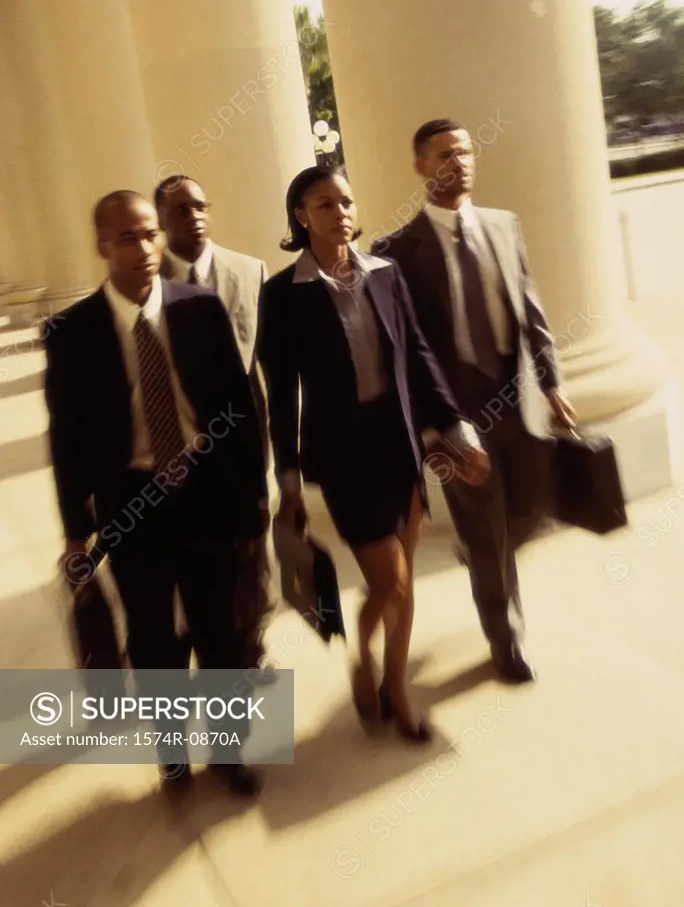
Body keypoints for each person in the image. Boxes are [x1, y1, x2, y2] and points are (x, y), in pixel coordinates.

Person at [44, 190, 268, 794]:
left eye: (149, 235)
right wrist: (75, 529)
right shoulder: (72, 331)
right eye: (127, 238)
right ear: (101, 246)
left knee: (219, 629)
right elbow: (65, 435)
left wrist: (254, 499)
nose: (144, 248)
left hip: (207, 493)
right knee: (151, 637)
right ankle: (171, 750)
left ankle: (228, 751)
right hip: (132, 504)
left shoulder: (201, 309)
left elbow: (238, 412)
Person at [258, 166, 489, 742]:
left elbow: (419, 357)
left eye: (346, 201)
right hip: (343, 457)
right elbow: (281, 395)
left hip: (400, 444)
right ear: (300, 215)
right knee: (391, 582)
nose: (340, 212)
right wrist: (287, 477)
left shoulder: (386, 274)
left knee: (402, 575)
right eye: (324, 203)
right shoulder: (283, 296)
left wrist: (456, 427)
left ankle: (398, 688)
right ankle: (364, 654)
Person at [372, 119, 578, 683]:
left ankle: (476, 547)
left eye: (463, 151)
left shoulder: (503, 226)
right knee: (489, 536)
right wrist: (431, 428)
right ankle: (506, 640)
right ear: (420, 167)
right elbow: (404, 353)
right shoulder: (395, 252)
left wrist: (553, 383)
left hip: (517, 401)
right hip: (455, 415)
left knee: (530, 511)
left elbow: (530, 312)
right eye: (442, 154)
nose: (456, 162)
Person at [155, 174, 271, 667]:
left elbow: (265, 363)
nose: (193, 216)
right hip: (176, 445)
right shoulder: (146, 281)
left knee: (250, 552)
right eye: (179, 209)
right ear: (160, 221)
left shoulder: (250, 271)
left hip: (243, 441)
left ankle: (250, 647)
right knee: (190, 562)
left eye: (199, 206)